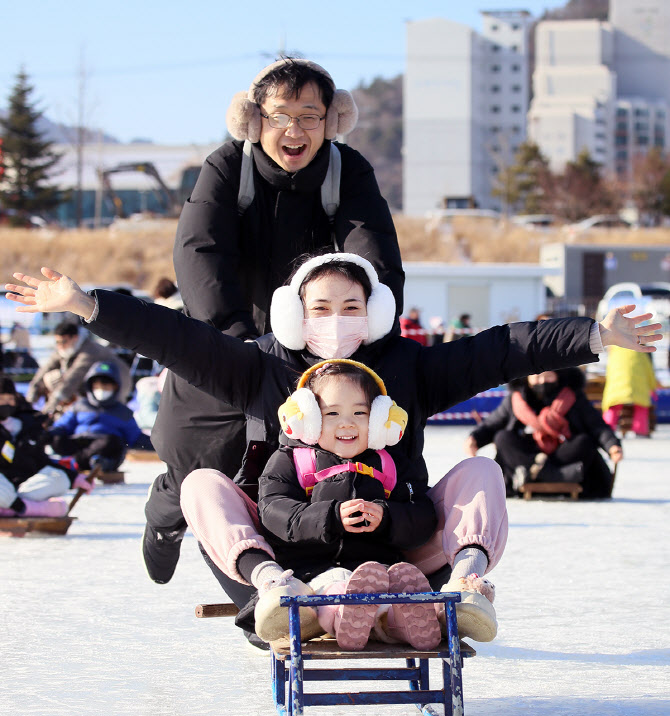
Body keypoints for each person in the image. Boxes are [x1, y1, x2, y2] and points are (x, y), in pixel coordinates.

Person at [6, 254, 661, 642]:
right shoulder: (260, 366)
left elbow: (504, 347)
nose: (337, 320)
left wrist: (595, 337)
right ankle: (275, 590)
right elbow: (175, 337)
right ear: (295, 314)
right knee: (202, 483)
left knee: (482, 472)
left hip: (400, 543)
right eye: (321, 307)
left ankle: (465, 585)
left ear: (373, 312)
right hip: (290, 545)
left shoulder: (406, 367)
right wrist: (86, 304)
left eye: (352, 305)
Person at [143, 56, 405, 586]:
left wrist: (364, 322)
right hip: (227, 336)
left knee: (305, 453)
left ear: (331, 121)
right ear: (254, 120)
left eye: (310, 116)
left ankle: (297, 569)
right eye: (281, 114)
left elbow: (372, 249)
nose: (294, 130)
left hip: (310, 343)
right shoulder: (225, 168)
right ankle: (167, 517)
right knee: (199, 456)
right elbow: (200, 253)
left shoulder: (346, 170)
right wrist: (234, 339)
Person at [253, 359, 442, 650]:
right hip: (312, 570)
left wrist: (389, 517)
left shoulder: (389, 462)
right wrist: (329, 517)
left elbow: (423, 512)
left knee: (384, 585)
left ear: (380, 419)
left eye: (360, 412)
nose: (347, 422)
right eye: (332, 413)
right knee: (337, 586)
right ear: (309, 419)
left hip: (376, 569)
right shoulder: (293, 460)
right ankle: (345, 618)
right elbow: (273, 509)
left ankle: (401, 620)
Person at [464, 368, 623, 498]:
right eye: (537, 376)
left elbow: (597, 426)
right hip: (528, 455)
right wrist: (475, 439)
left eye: (548, 376)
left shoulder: (573, 398)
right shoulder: (516, 400)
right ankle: (557, 475)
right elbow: (493, 424)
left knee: (584, 442)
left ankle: (538, 474)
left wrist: (613, 446)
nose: (542, 381)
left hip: (562, 454)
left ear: (558, 376)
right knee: (503, 438)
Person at [0, 376, 92, 518]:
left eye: (10, 399)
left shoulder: (27, 426)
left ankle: (13, 507)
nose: (6, 404)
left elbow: (40, 460)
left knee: (59, 477)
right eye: (2, 400)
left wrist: (73, 477)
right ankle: (27, 507)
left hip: (24, 486)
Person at [47, 360, 150, 473]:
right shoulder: (80, 405)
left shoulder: (123, 412)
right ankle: (72, 460)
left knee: (110, 441)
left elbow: (135, 437)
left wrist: (158, 444)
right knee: (57, 439)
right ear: (90, 387)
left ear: (115, 387)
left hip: (104, 449)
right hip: (80, 442)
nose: (101, 390)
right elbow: (63, 425)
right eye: (97, 386)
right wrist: (52, 433)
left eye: (105, 387)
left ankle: (85, 462)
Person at [26, 320, 132, 415]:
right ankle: (64, 409)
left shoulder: (89, 351)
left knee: (58, 379)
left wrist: (49, 407)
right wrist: (31, 395)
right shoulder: (67, 348)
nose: (60, 346)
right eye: (57, 342)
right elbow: (46, 368)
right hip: (90, 389)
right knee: (51, 377)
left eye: (63, 342)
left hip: (113, 388)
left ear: (75, 338)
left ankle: (69, 410)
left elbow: (73, 378)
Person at [601, 346, 659, 437]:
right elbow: (649, 372)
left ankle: (606, 429)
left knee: (612, 407)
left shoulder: (615, 352)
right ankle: (640, 430)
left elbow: (609, 372)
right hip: (638, 387)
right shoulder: (641, 353)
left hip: (617, 386)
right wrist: (653, 388)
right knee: (641, 407)